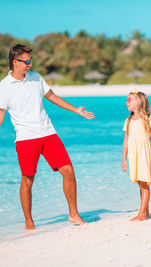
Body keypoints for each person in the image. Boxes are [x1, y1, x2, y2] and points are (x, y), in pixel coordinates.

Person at [0, 44, 95, 229]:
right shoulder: (3, 87)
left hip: (48, 133)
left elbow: (53, 97)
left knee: (68, 171)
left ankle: (73, 214)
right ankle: (29, 223)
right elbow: (1, 115)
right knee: (27, 179)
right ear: (14, 62)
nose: (29, 64)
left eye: (30, 60)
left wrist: (76, 110)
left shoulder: (36, 77)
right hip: (26, 139)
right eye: (26, 61)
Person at [122, 90, 151, 221]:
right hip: (134, 154)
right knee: (140, 183)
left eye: (130, 99)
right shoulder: (128, 120)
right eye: (127, 99)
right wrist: (124, 158)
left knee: (144, 183)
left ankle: (141, 214)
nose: (127, 102)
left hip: (144, 153)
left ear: (140, 102)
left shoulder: (148, 118)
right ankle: (145, 212)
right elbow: (126, 140)